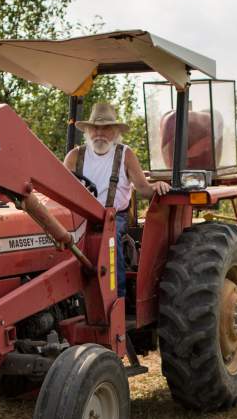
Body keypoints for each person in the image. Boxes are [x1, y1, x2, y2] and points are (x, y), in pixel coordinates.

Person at [64, 102, 170, 295]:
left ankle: (116, 300)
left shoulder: (125, 155)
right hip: (80, 218)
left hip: (114, 218)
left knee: (109, 243)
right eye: (95, 128)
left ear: (115, 132)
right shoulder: (74, 156)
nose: (100, 133)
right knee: (61, 243)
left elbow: (143, 188)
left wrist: (158, 186)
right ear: (88, 131)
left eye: (106, 129)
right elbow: (61, 190)